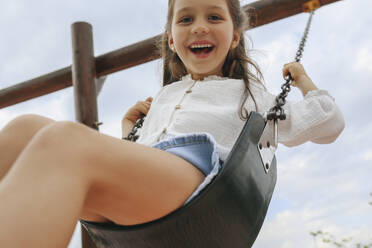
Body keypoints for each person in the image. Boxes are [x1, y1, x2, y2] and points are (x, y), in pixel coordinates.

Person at [0, 0, 344, 247]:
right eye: (185, 19)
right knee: (23, 130)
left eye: (213, 16)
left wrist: (303, 81)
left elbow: (330, 122)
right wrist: (126, 132)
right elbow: (134, 164)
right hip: (152, 188)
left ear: (235, 37)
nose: (198, 26)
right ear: (171, 40)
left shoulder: (250, 94)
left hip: (202, 192)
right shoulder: (164, 97)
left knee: (64, 141)